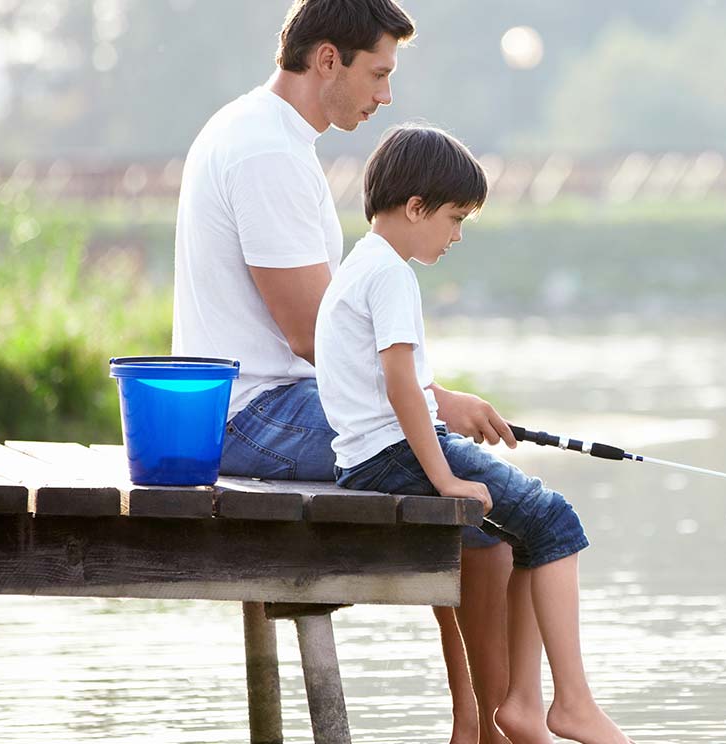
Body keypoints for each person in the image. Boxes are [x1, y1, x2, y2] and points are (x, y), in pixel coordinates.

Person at [170, 2, 519, 741]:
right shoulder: (265, 151)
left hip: (268, 402)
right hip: (254, 414)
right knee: (481, 502)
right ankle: (486, 726)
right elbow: (311, 333)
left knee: (448, 475)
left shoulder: (261, 132)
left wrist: (426, 403)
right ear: (327, 59)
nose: (385, 96)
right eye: (378, 73)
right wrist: (430, 401)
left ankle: (475, 721)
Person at [315, 124, 631, 744]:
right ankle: (569, 703)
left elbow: (391, 383)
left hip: (366, 457)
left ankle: (522, 702)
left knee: (528, 528)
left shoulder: (360, 265)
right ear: (414, 208)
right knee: (557, 520)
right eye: (455, 218)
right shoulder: (392, 276)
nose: (457, 235)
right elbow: (401, 384)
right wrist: (445, 476)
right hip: (395, 456)